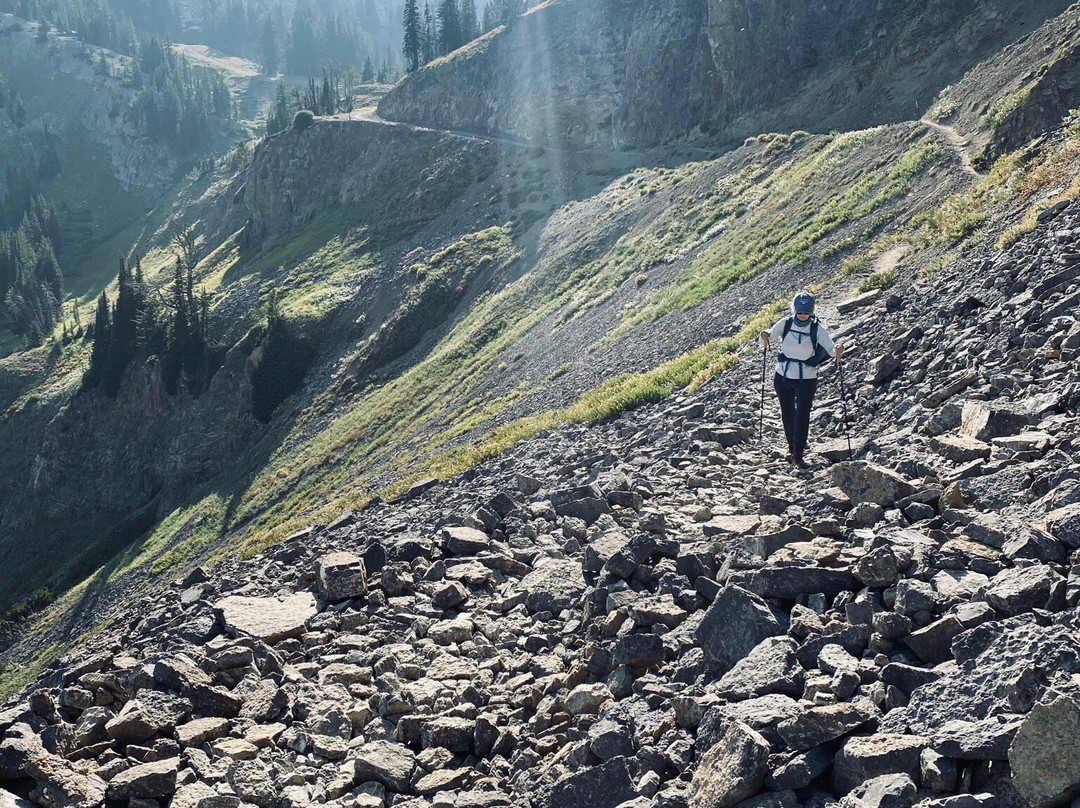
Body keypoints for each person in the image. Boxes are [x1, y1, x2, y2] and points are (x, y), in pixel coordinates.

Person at [759, 292, 844, 467]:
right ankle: (791, 446)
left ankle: (798, 453)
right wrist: (765, 335)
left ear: (812, 311)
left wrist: (837, 351)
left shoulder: (817, 328)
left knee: (802, 416)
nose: (803, 315)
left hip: (806, 379)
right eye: (800, 312)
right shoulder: (786, 323)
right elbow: (770, 336)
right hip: (782, 376)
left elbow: (829, 346)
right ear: (794, 310)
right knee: (787, 414)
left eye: (806, 312)